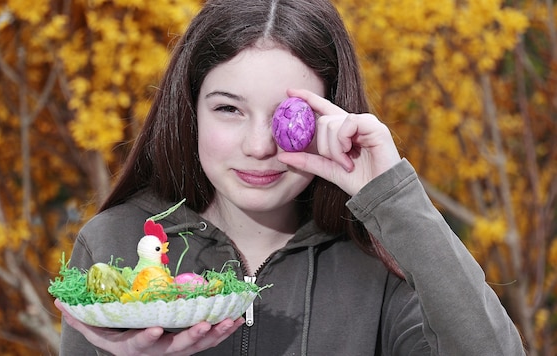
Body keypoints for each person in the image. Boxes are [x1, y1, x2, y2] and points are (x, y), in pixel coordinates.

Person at [54, 0, 525, 354]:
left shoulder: (383, 267)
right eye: (228, 109)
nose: (259, 146)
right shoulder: (114, 244)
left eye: (286, 114)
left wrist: (393, 197)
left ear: (333, 113)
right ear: (190, 111)